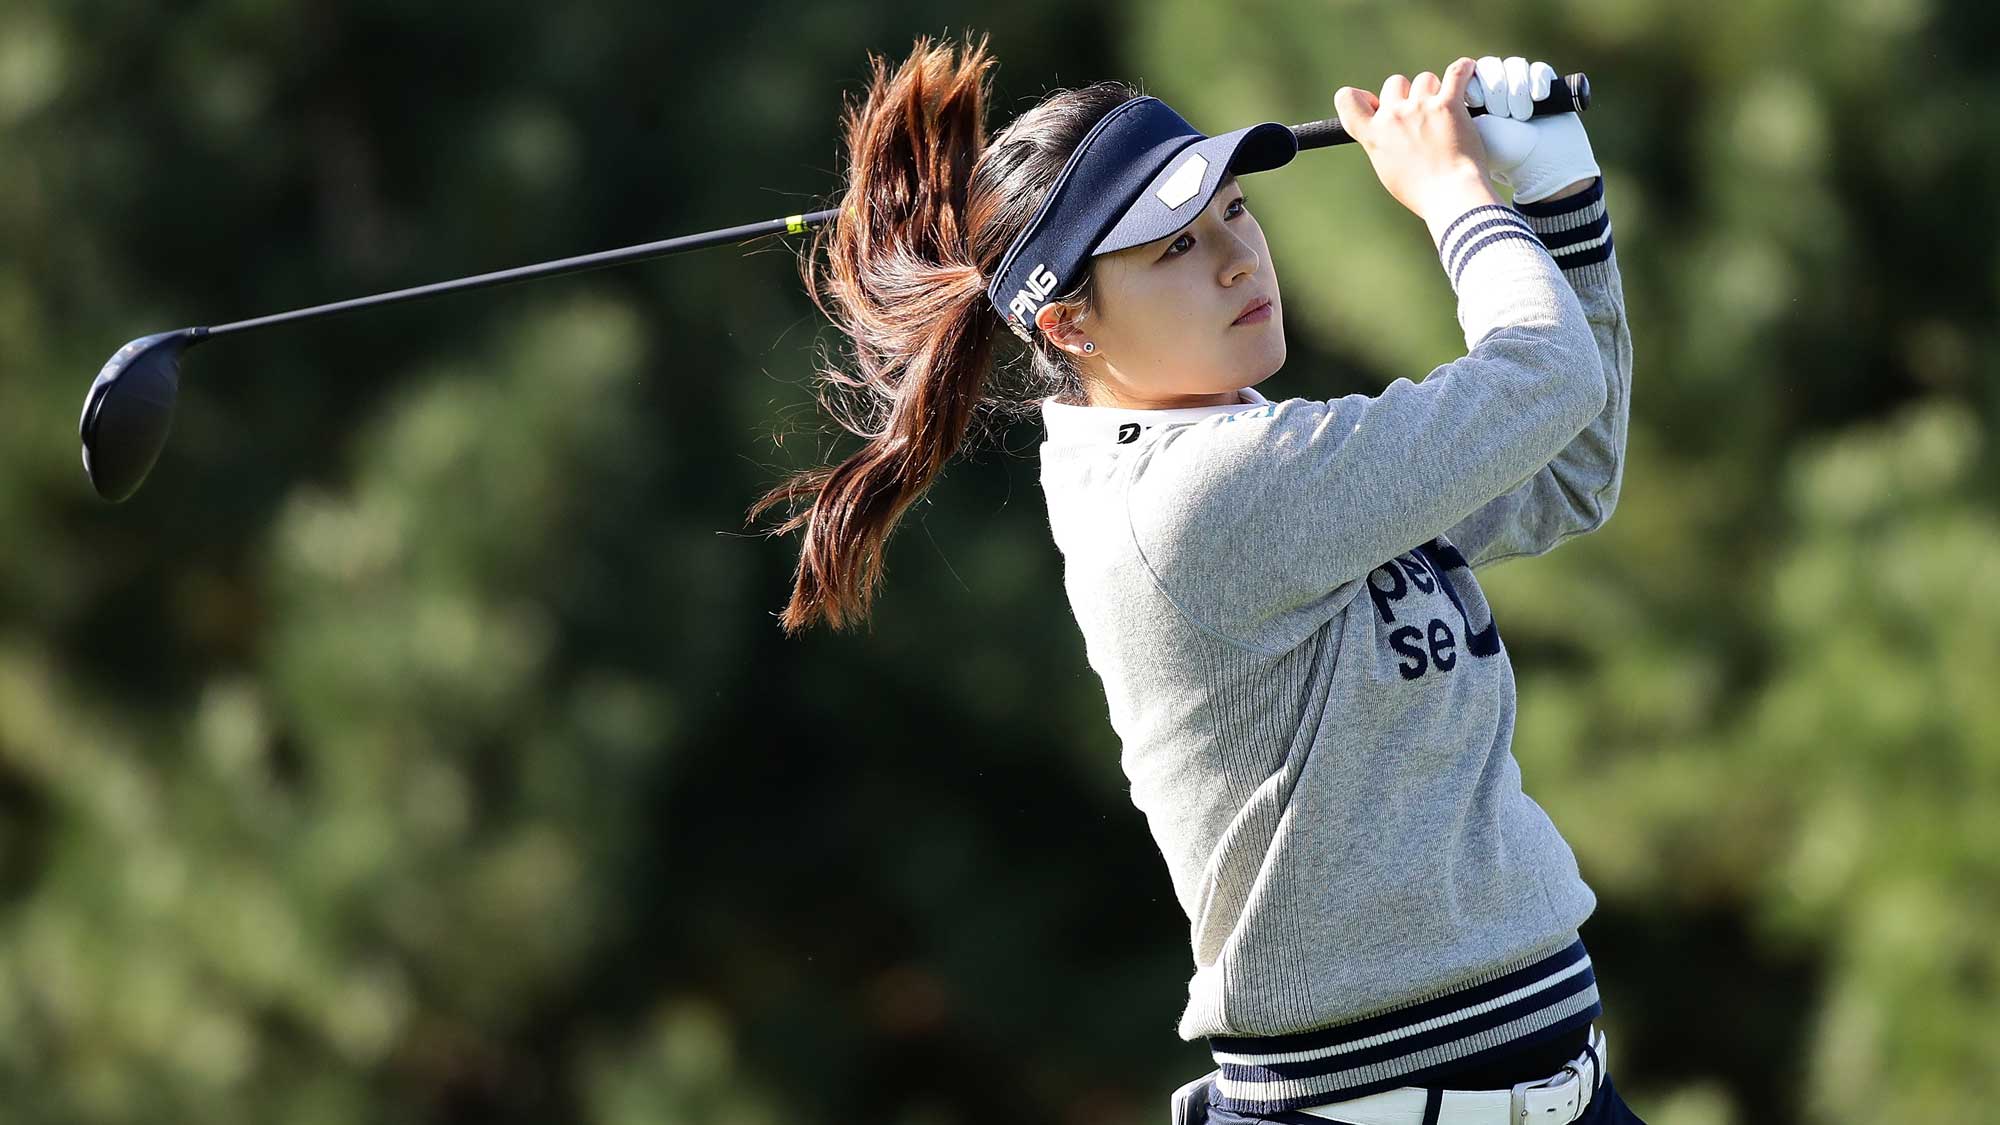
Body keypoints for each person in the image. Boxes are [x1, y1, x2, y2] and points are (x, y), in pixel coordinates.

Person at [748, 31, 1643, 1125]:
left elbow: (1567, 471)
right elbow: (1542, 378)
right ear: (1067, 321)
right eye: (1170, 248)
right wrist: (1458, 193)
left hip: (1556, 1087)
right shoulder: (1197, 501)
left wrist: (1558, 198)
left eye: (1232, 212)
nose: (1234, 258)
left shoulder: (1263, 448)